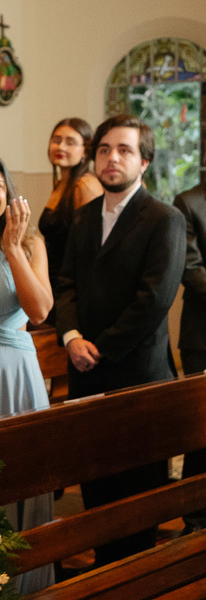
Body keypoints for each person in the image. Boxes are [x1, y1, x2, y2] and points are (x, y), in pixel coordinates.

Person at [55, 114, 185, 565]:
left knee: (137, 493)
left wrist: (101, 348)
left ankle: (137, 575)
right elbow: (66, 283)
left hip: (137, 375)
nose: (112, 158)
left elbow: (155, 300)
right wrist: (72, 337)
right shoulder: (84, 216)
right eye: (105, 149)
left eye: (125, 150)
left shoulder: (164, 218)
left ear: (144, 161)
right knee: (95, 480)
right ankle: (103, 570)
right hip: (84, 370)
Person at [0, 152, 54, 594]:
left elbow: (39, 311)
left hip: (17, 375)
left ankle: (29, 582)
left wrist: (12, 248)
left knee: (23, 471)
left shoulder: (31, 243)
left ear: (8, 192)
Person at [38, 118, 103, 308]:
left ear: (86, 150)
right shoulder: (62, 184)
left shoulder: (85, 185)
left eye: (70, 142)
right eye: (56, 140)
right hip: (52, 282)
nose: (61, 147)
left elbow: (91, 249)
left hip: (72, 290)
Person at [172, 180, 206, 534]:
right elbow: (192, 269)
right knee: (202, 432)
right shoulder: (189, 202)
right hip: (203, 338)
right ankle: (196, 519)